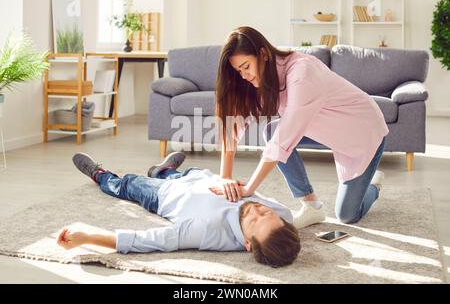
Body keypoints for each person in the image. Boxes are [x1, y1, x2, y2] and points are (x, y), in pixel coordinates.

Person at [212, 26, 388, 228]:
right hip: (325, 130)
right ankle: (311, 205)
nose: (244, 76)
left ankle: (373, 184)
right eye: (239, 70)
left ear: (263, 54)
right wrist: (225, 177)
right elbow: (234, 124)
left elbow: (283, 139)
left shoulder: (301, 73)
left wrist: (249, 188)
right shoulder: (261, 79)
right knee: (270, 130)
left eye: (246, 66)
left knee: (347, 215)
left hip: (363, 131)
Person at [57, 152, 301, 268]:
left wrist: (89, 237)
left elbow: (152, 240)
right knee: (184, 171)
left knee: (126, 184)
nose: (257, 210)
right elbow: (283, 220)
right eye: (267, 213)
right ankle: (163, 169)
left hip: (163, 194)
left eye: (255, 222)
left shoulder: (207, 232)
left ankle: (100, 175)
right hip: (199, 177)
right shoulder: (283, 216)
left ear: (248, 243)